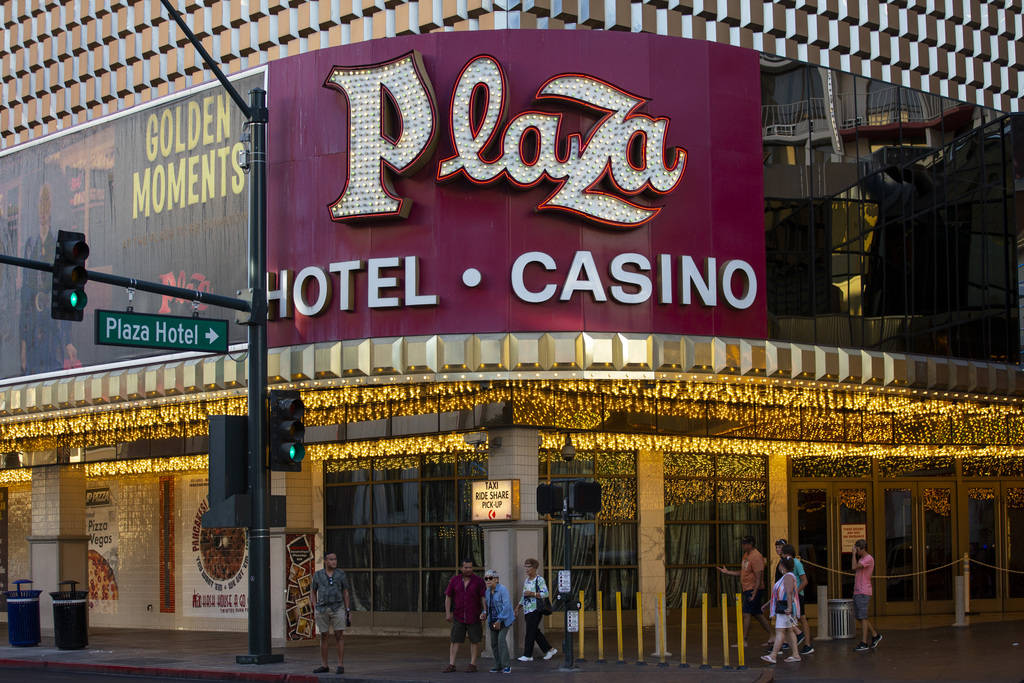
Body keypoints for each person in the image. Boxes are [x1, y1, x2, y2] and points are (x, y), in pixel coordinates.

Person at [717, 535, 771, 648]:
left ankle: (743, 640)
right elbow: (743, 572)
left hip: (753, 589)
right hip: (747, 588)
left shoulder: (756, 556)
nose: (743, 545)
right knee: (757, 614)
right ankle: (773, 635)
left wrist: (754, 592)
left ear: (750, 544)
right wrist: (728, 572)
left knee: (746, 613)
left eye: (745, 544)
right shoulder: (746, 555)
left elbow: (759, 577)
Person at [310, 551, 351, 675]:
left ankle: (340, 664)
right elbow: (312, 591)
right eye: (331, 559)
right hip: (322, 608)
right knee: (324, 635)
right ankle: (324, 665)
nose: (334, 561)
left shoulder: (341, 574)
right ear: (325, 561)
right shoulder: (317, 575)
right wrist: (315, 606)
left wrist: (348, 610)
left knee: (339, 635)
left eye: (335, 559)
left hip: (338, 607)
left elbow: (345, 592)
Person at [444, 558, 487, 673]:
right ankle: (451, 664)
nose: (468, 569)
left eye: (470, 567)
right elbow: (448, 597)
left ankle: (472, 664)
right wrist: (448, 613)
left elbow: (483, 597)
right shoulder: (454, 580)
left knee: (474, 640)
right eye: (466, 567)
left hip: (474, 615)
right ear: (461, 568)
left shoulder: (479, 581)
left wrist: (485, 611)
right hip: (458, 615)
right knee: (455, 640)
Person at [514, 558, 557, 661]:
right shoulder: (527, 580)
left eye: (528, 566)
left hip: (536, 609)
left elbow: (545, 593)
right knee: (534, 631)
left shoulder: (539, 580)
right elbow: (524, 596)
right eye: (526, 566)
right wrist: (517, 607)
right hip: (527, 610)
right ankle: (550, 649)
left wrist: (532, 594)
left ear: (534, 568)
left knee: (530, 632)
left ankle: (527, 655)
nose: (526, 569)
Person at [774, 540, 813, 655]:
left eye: (782, 550)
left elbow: (805, 580)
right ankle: (790, 645)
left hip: (796, 596)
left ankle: (806, 643)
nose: (779, 551)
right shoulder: (786, 563)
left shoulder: (796, 563)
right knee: (790, 618)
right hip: (789, 596)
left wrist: (795, 593)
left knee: (801, 618)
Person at [761, 556, 802, 664]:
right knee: (789, 631)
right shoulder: (788, 576)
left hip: (784, 607)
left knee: (779, 631)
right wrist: (768, 604)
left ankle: (773, 655)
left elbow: (788, 593)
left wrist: (788, 607)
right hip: (785, 606)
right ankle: (795, 654)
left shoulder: (788, 576)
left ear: (782, 566)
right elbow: (780, 594)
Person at [852, 539, 882, 652]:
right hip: (858, 591)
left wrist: (853, 554)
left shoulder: (868, 558)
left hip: (864, 591)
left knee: (863, 617)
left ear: (862, 548)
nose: (857, 551)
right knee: (860, 616)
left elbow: (854, 567)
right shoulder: (862, 558)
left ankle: (864, 642)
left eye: (857, 549)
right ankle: (875, 635)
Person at [484, 569, 516, 674]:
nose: (488, 580)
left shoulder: (503, 590)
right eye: (486, 578)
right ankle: (498, 665)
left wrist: (499, 620)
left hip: (504, 619)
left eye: (490, 578)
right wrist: (484, 613)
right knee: (494, 643)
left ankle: (506, 666)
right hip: (492, 620)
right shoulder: (487, 592)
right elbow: (488, 607)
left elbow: (506, 606)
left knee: (501, 640)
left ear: (496, 579)